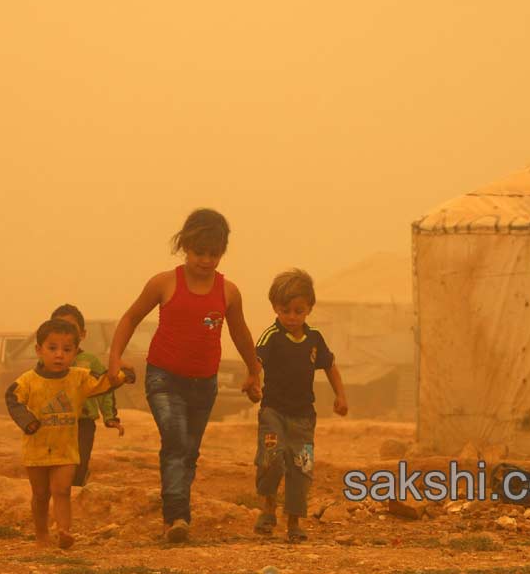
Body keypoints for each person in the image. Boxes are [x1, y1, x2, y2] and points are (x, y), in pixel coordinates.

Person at [105, 208, 262, 543]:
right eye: (199, 252)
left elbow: (241, 334)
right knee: (176, 442)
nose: (205, 260)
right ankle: (176, 518)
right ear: (184, 246)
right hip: (164, 378)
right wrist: (115, 358)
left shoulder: (228, 292)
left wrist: (254, 370)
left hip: (204, 384)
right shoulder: (164, 283)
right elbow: (131, 318)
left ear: (222, 253)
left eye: (213, 254)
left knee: (189, 450)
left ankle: (175, 515)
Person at [5, 319, 134, 550]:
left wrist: (123, 375)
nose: (59, 355)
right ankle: (42, 533)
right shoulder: (27, 381)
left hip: (66, 448)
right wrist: (28, 422)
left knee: (63, 490)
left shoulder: (79, 377)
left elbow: (103, 382)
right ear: (38, 350)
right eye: (52, 348)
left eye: (66, 350)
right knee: (41, 494)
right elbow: (12, 399)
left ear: (75, 352)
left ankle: (64, 531)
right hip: (36, 449)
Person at [252, 269, 348, 543]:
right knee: (272, 457)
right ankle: (268, 506)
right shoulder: (271, 335)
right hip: (273, 412)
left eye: (299, 310)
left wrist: (340, 395)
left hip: (304, 418)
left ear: (309, 309)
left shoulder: (315, 338)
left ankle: (293, 520)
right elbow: (256, 361)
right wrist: (252, 381)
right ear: (275, 308)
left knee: (301, 467)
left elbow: (330, 366)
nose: (292, 317)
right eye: (286, 311)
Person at [50, 304, 125, 487]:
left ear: (82, 334)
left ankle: (78, 488)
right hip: (54, 423)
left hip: (83, 423)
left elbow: (105, 388)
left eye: (70, 328)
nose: (64, 333)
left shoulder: (90, 361)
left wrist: (110, 417)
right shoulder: (46, 362)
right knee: (56, 467)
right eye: (59, 328)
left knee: (79, 465)